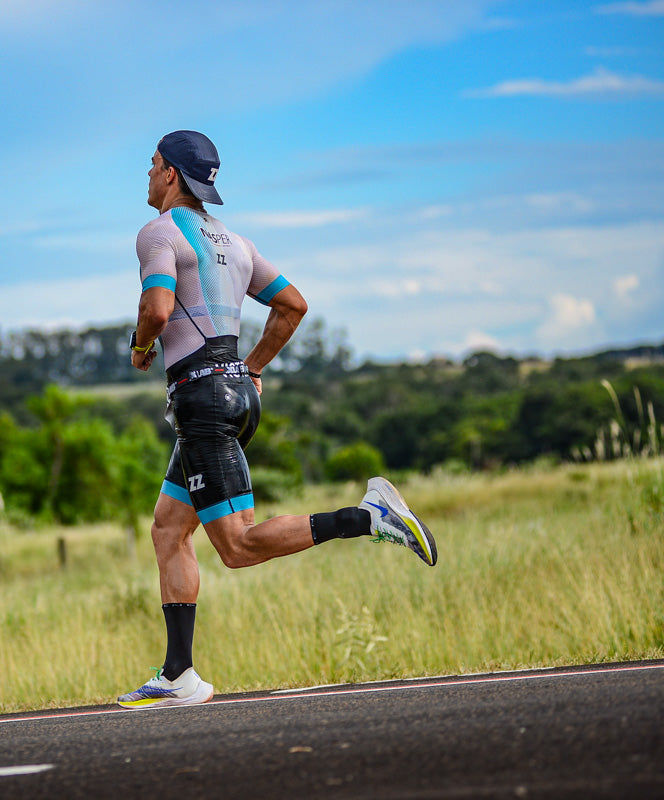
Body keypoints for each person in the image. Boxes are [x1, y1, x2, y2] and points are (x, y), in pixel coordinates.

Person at [117, 130, 437, 710]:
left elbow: (157, 308)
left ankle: (368, 517)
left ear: (170, 175)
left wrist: (141, 348)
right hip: (236, 397)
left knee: (237, 547)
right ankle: (178, 674)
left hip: (202, 403)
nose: (146, 173)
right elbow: (293, 305)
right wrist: (253, 367)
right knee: (169, 526)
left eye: (152, 164)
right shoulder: (238, 244)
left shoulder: (158, 233)